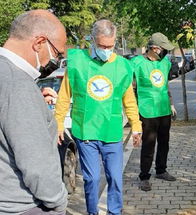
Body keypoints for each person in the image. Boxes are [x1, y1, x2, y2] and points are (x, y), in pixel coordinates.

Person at [54, 19, 142, 215]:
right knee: (92, 179)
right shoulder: (77, 62)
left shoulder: (123, 66)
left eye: (110, 46)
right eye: (102, 46)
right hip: (86, 131)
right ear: (93, 40)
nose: (106, 50)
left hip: (111, 131)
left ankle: (115, 212)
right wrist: (59, 122)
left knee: (116, 178)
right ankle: (92, 212)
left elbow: (129, 100)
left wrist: (136, 125)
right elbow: (64, 95)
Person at [0, 10, 68, 214]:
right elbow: (37, 165)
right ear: (39, 43)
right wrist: (58, 202)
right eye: (57, 53)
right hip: (23, 205)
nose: (55, 60)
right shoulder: (18, 85)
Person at [131, 32, 177, 192]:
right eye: (164, 49)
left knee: (164, 142)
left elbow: (165, 85)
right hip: (147, 110)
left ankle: (161, 170)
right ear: (155, 48)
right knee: (149, 144)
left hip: (164, 109)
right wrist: (133, 111)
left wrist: (171, 104)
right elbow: (131, 88)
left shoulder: (164, 63)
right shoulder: (136, 63)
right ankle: (144, 176)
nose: (166, 52)